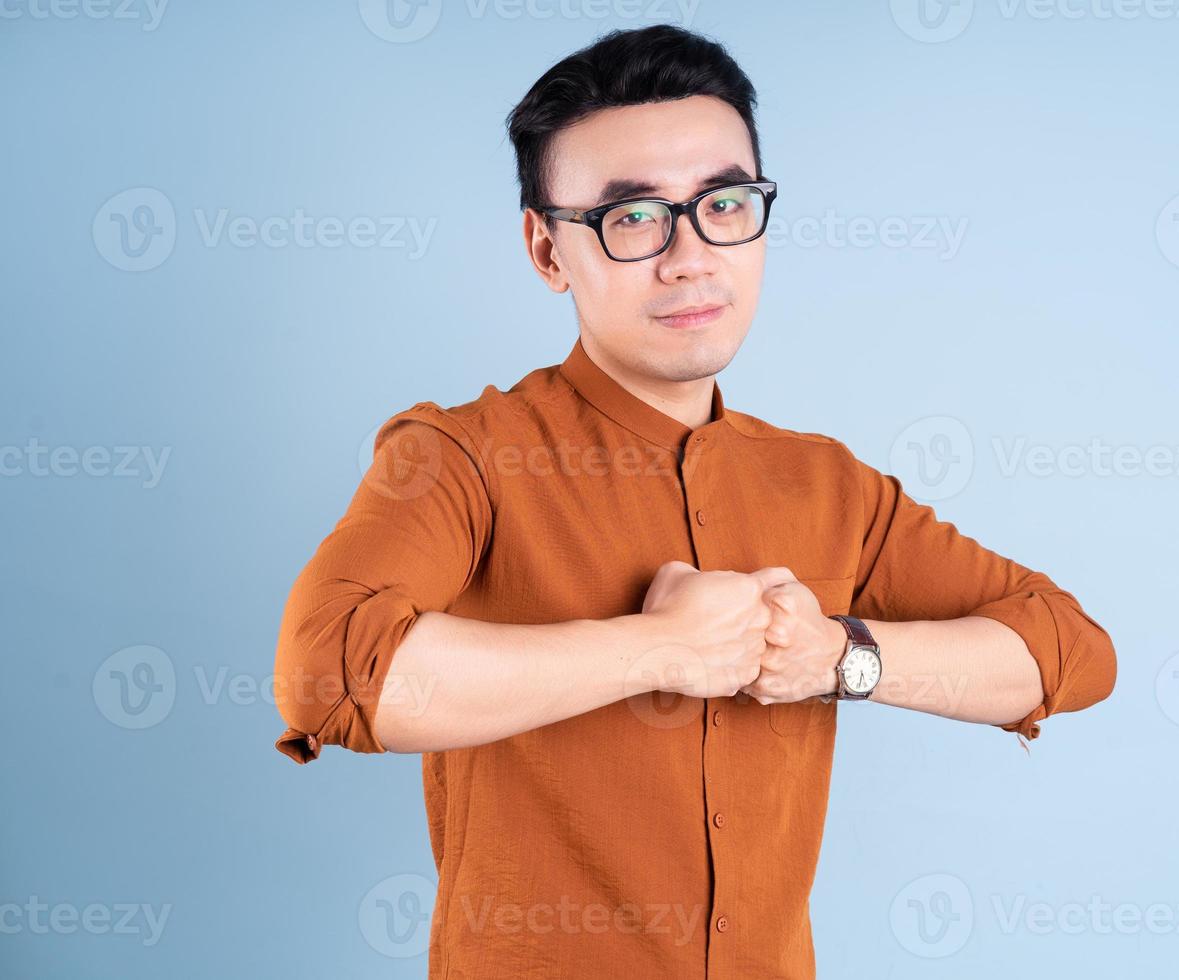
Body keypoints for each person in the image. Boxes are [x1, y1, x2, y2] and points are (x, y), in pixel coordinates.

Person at [271, 23, 1116, 979]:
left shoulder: (826, 484)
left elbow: (1068, 651)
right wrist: (658, 649)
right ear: (548, 251)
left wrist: (843, 657)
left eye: (724, 203)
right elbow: (327, 672)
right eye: (633, 219)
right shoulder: (461, 457)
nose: (691, 258)